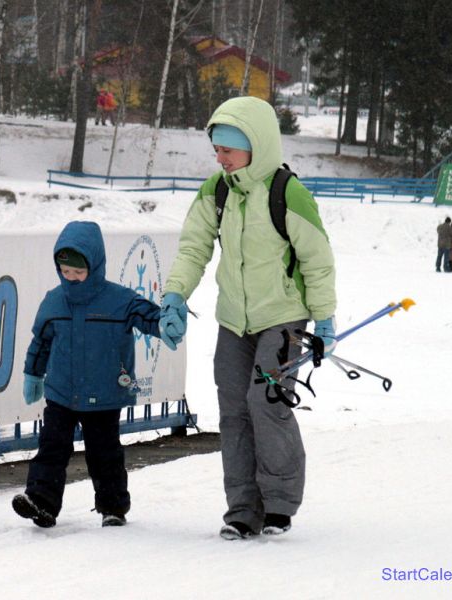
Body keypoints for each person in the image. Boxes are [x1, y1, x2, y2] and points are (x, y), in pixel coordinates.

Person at [159, 96, 337, 540]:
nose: (220, 158)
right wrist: (175, 295)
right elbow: (193, 247)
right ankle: (243, 510)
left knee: (266, 402)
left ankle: (279, 504)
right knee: (234, 410)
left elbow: (317, 259)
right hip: (233, 321)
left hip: (283, 318)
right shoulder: (216, 191)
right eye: (217, 150)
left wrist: (324, 319)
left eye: (228, 150)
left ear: (255, 146)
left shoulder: (288, 193)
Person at [12, 220, 181, 529]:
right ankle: (41, 501)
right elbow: (41, 342)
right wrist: (33, 375)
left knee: (104, 453)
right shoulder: (53, 301)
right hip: (61, 392)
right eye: (65, 272)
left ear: (95, 265)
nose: (71, 278)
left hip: (104, 394)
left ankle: (112, 507)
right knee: (51, 447)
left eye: (78, 272)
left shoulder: (119, 300)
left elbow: (147, 316)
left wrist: (164, 323)